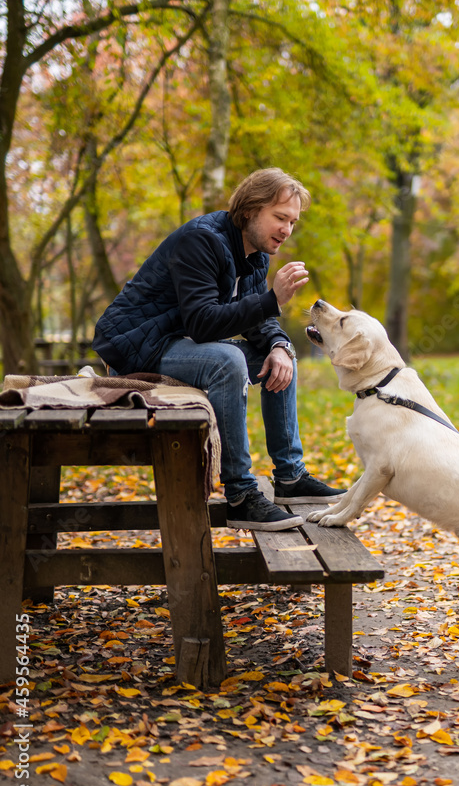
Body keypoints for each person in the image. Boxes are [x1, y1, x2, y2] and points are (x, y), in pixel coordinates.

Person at [92, 167, 344, 531]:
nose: (287, 230)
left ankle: (290, 476)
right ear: (250, 211)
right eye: (280, 217)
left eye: (292, 221)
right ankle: (241, 495)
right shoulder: (202, 241)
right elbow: (203, 322)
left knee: (282, 357)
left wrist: (277, 343)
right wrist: (273, 300)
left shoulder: (255, 254)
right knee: (229, 361)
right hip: (136, 345)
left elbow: (255, 318)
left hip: (180, 342)